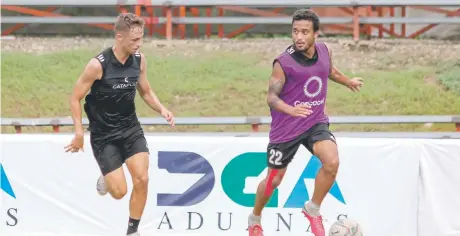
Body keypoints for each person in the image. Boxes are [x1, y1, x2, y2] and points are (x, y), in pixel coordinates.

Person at [247, 9, 363, 236]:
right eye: (295, 31)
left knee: (332, 162)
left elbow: (329, 71)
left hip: (314, 122)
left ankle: (312, 209)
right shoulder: (283, 62)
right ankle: (255, 218)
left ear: (316, 34)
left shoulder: (325, 51)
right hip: (285, 130)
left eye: (304, 32)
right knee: (273, 181)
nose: (298, 37)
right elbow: (271, 97)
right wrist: (291, 109)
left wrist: (348, 81)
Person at [64, 12, 175, 236]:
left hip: (130, 129)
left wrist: (162, 108)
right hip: (104, 135)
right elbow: (75, 97)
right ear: (119, 37)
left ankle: (132, 230)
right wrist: (78, 133)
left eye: (141, 38)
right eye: (134, 40)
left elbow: (145, 90)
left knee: (142, 178)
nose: (139, 44)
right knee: (119, 192)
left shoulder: (139, 60)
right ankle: (107, 177)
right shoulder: (98, 65)